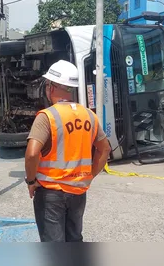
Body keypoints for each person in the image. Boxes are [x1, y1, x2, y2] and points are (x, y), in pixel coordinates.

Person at [24, 60, 112, 242]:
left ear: (52, 87)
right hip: (78, 192)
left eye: (47, 85)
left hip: (51, 192)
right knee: (74, 240)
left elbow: (32, 153)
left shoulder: (47, 117)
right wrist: (90, 175)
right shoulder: (89, 115)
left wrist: (31, 180)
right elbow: (105, 149)